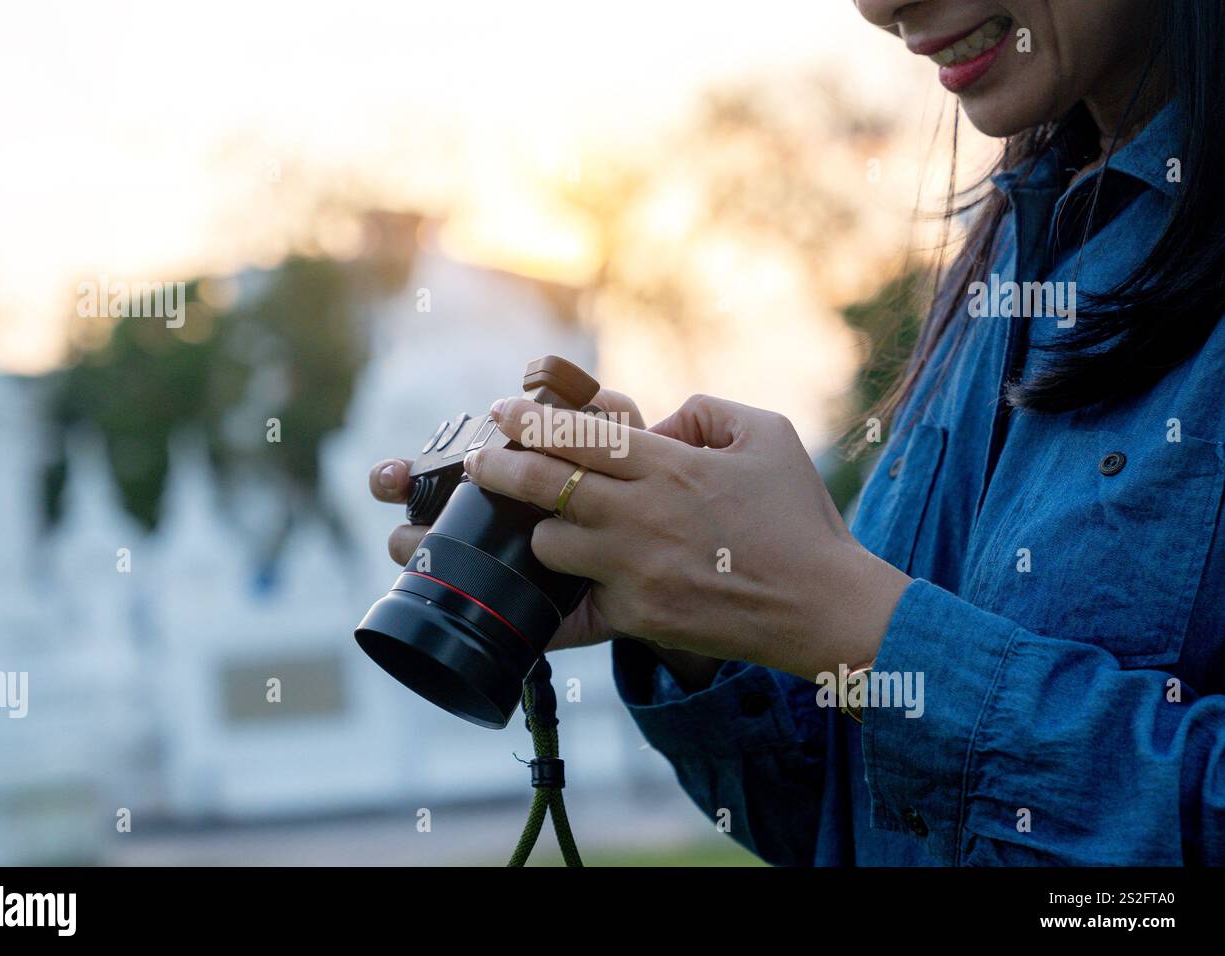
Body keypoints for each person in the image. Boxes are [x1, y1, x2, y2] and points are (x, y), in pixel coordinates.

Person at [370, 0, 1225, 865]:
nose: (879, 6)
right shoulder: (1010, 254)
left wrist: (847, 622)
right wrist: (695, 607)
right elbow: (842, 825)